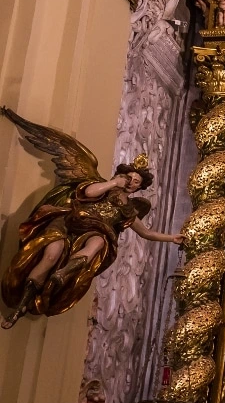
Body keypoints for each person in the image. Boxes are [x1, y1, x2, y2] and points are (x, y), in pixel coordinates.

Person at [0, 110, 184, 329]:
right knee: (50, 254)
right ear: (122, 175)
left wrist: (172, 238)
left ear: (139, 188)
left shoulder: (128, 210)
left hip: (95, 232)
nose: (131, 183)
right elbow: (88, 192)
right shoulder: (104, 187)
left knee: (100, 242)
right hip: (69, 222)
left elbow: (146, 232)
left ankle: (63, 274)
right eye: (129, 178)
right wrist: (113, 183)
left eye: (136, 182)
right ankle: (21, 305)